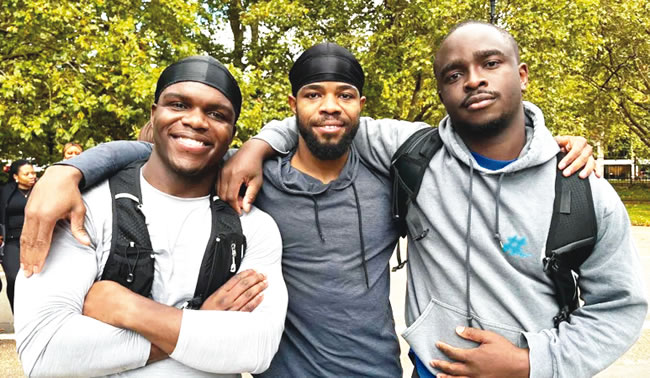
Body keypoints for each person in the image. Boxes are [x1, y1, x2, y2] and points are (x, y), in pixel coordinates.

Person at [20, 44, 595, 375]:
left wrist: (551, 145)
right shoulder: (251, 184)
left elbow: (477, 133)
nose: (329, 107)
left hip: (378, 371)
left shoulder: (392, 167)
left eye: (344, 95)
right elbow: (172, 152)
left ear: (361, 107)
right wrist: (70, 168)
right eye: (313, 94)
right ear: (293, 104)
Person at [14, 56, 288, 377]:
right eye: (179, 104)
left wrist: (128, 308)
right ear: (154, 113)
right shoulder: (84, 208)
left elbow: (256, 348)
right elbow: (45, 353)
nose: (196, 121)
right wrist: (201, 320)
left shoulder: (252, 225)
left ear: (232, 131)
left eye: (216, 114)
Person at [0, 160, 36, 312]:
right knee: (14, 278)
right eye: (26, 174)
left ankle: (34, 317)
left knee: (35, 281)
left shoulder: (41, 190)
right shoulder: (5, 192)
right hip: (12, 241)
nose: (31, 176)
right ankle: (18, 316)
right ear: (15, 176)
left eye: (33, 173)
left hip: (37, 241)